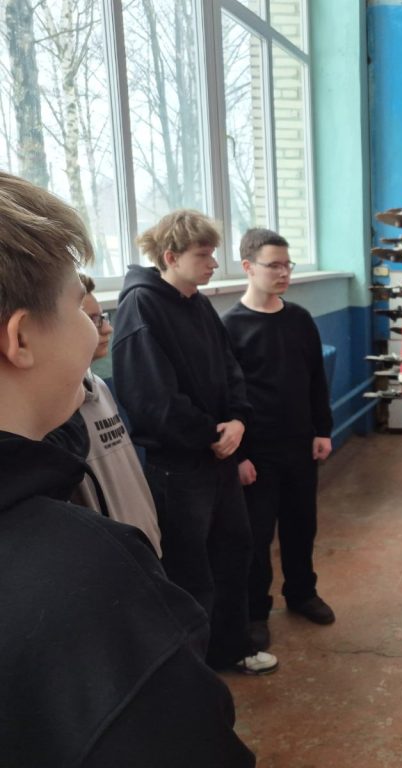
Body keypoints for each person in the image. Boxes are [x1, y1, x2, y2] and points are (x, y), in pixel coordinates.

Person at [0, 171, 254, 766]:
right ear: (21, 338)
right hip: (184, 464)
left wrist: (236, 422)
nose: (98, 328)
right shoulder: (90, 569)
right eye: (79, 307)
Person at [112, 209, 278, 675]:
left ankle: (231, 649)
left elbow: (230, 370)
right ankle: (195, 673)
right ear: (171, 257)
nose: (213, 263)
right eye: (203, 255)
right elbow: (152, 399)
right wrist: (211, 435)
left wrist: (238, 421)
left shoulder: (199, 304)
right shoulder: (141, 306)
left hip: (220, 457)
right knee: (190, 571)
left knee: (234, 552)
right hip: (180, 467)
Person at [222, 228, 335, 651]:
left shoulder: (300, 319)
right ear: (248, 267)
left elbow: (315, 380)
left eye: (288, 265)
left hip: (300, 446)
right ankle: (255, 611)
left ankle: (302, 593)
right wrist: (239, 457)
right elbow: (226, 397)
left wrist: (322, 429)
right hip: (258, 455)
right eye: (274, 265)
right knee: (256, 538)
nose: (284, 273)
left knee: (301, 526)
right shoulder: (230, 327)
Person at [45, 273, 162, 554]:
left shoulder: (98, 385)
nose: (107, 328)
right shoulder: (54, 409)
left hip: (143, 546)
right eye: (93, 319)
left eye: (102, 318)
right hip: (113, 556)